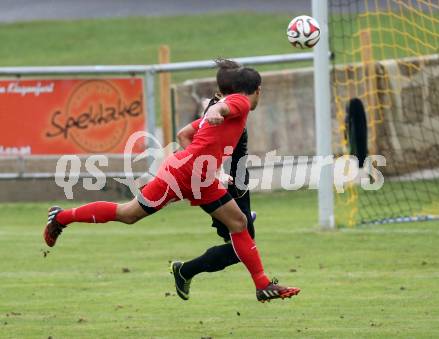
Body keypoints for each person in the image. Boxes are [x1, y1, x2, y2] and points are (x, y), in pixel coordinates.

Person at [44, 59, 300, 302]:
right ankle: (61, 217)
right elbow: (223, 107)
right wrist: (214, 111)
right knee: (129, 213)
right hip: (183, 173)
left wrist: (211, 164)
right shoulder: (241, 103)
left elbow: (185, 133)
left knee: (238, 223)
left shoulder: (233, 106)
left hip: (199, 177)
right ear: (258, 90)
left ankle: (262, 285)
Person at [170, 89, 257, 301]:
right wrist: (216, 173)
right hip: (226, 183)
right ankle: (185, 271)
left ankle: (186, 271)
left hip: (238, 181)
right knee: (240, 248)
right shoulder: (217, 109)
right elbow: (193, 139)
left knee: (241, 244)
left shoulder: (234, 106)